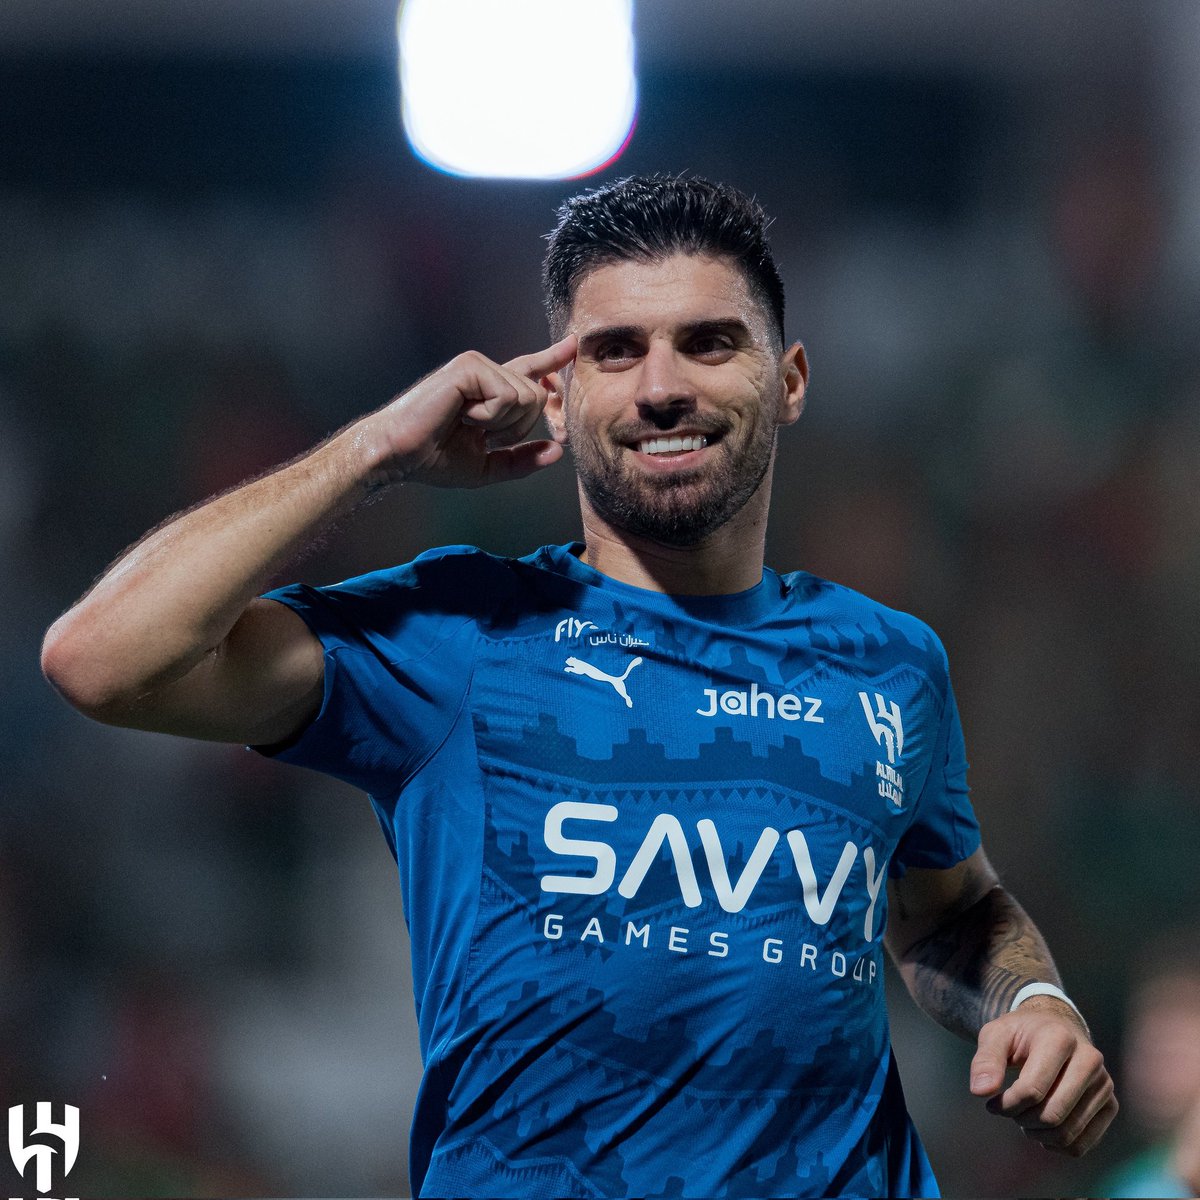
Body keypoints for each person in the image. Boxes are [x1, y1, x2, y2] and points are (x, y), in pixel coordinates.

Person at [41, 175, 1116, 1198]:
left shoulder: (889, 659)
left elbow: (948, 909)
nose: (662, 386)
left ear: (788, 381)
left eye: (709, 342)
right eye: (615, 350)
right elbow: (101, 661)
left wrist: (1032, 999)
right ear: (556, 394)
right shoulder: (459, 635)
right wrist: (373, 453)